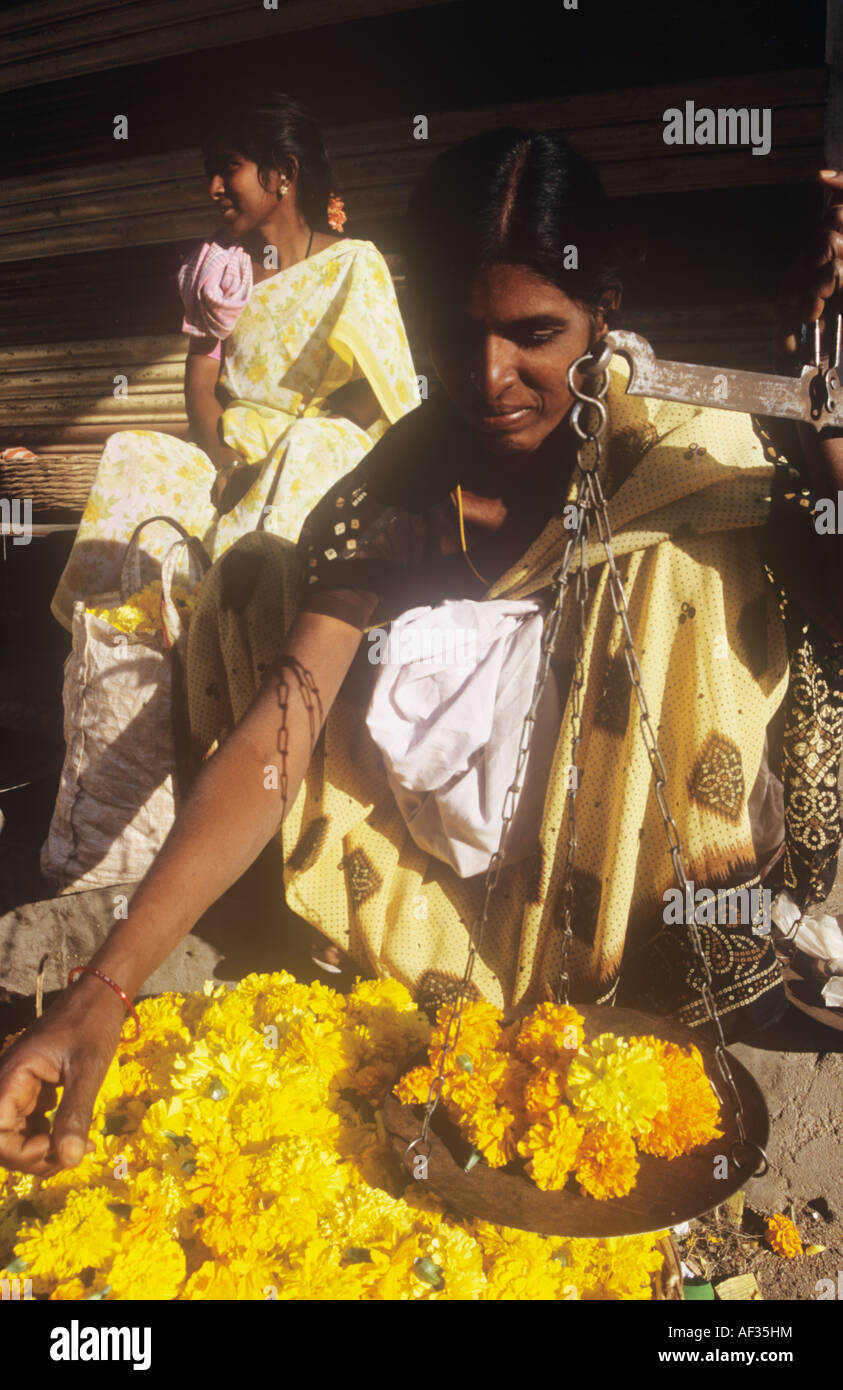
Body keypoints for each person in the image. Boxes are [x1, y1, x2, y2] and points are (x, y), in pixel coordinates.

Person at [3, 129, 843, 1177]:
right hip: (448, 873)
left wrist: (829, 454)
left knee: (685, 568)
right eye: (459, 333)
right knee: (255, 573)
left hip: (647, 884)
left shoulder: (691, 454)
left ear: (605, 308)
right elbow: (283, 726)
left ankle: (649, 975)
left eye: (535, 332)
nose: (490, 376)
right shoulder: (402, 484)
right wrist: (106, 986)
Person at [50, 92, 420, 630]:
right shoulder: (223, 274)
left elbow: (384, 389)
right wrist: (224, 463)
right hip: (231, 451)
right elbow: (200, 386)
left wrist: (290, 449)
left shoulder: (353, 265)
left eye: (228, 169)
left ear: (284, 173)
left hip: (319, 451)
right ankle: (131, 636)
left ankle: (246, 635)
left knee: (305, 453)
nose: (213, 189)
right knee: (129, 452)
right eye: (210, 172)